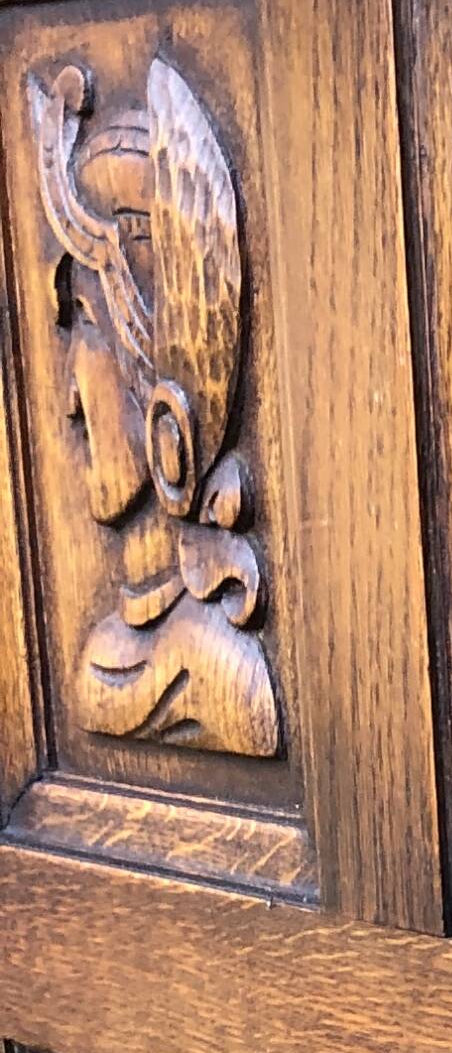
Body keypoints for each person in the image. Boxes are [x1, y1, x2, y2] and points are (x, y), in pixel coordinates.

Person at [28, 55, 278, 757]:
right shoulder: (109, 652)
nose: (69, 398)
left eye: (89, 325)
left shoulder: (220, 674)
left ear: (156, 367)